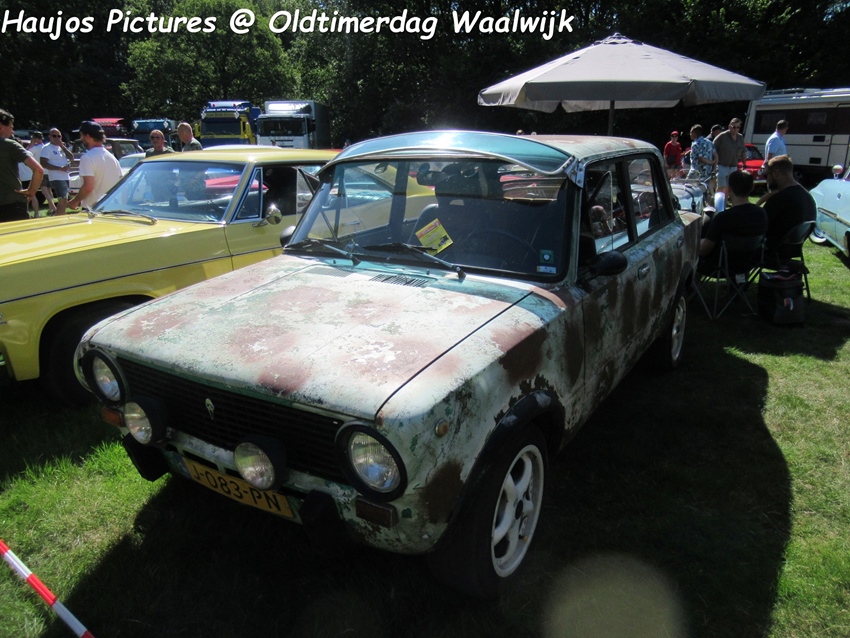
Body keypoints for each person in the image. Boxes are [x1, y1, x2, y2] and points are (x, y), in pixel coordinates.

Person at [699, 170, 767, 271]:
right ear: (752, 187)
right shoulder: (762, 214)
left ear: (729, 190)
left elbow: (704, 250)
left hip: (720, 267)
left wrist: (694, 242)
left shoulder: (723, 218)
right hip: (749, 264)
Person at [759, 154, 817, 263]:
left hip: (771, 253)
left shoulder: (779, 199)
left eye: (767, 176)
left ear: (776, 173)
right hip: (793, 251)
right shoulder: (807, 197)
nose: (767, 180)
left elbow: (758, 224)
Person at [0, 108, 44, 223]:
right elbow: (38, 170)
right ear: (1, 126)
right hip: (12, 205)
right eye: (11, 127)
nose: (12, 132)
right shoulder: (10, 145)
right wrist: (31, 191)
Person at [67, 121, 122, 210]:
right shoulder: (112, 158)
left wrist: (75, 201)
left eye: (81, 135)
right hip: (111, 207)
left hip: (93, 208)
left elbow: (88, 186)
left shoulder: (87, 158)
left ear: (88, 136)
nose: (81, 138)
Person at [41, 127, 74, 215]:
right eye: (54, 136)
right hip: (56, 177)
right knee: (63, 200)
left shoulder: (61, 147)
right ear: (49, 137)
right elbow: (43, 163)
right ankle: (60, 218)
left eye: (59, 136)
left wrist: (62, 146)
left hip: (65, 176)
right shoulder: (47, 148)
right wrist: (59, 168)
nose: (57, 138)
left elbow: (71, 157)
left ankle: (59, 217)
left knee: (64, 200)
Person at [713, 118, 747, 195]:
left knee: (730, 189)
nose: (736, 129)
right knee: (721, 187)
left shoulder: (740, 137)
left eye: (738, 127)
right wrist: (714, 162)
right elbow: (712, 149)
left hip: (733, 167)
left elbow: (743, 152)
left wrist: (744, 165)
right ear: (729, 126)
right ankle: (718, 202)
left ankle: (726, 203)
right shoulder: (722, 136)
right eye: (734, 127)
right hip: (722, 166)